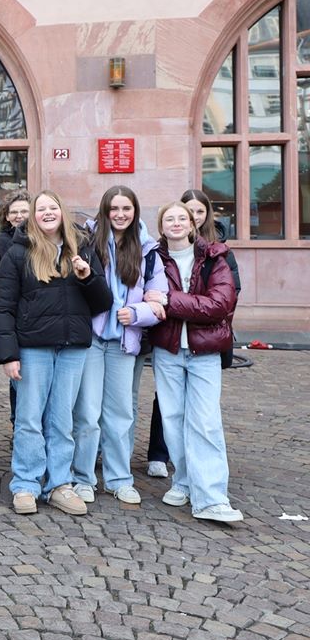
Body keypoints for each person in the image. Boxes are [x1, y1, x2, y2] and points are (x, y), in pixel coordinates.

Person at [0, 190, 112, 516]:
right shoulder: (18, 253)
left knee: (61, 421)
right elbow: (1, 306)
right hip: (32, 348)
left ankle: (60, 483)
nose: (46, 213)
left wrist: (88, 278)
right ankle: (26, 485)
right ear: (32, 215)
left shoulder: (82, 248)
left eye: (52, 208)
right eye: (40, 209)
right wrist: (7, 354)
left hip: (72, 347)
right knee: (29, 420)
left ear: (62, 211)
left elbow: (103, 303)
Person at [70, 186, 167, 508]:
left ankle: (119, 479)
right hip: (91, 340)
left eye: (126, 208)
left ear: (135, 211)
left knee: (120, 414)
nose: (120, 214)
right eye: (114, 208)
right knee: (86, 413)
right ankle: (82, 477)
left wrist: (137, 313)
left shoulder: (148, 250)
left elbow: (158, 300)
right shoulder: (88, 243)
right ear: (105, 211)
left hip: (125, 342)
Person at [149, 201, 243, 522]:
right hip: (168, 349)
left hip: (205, 351)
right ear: (161, 227)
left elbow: (219, 303)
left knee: (204, 421)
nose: (175, 223)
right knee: (173, 421)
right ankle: (185, 480)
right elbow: (144, 299)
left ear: (192, 224)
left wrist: (168, 300)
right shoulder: (154, 259)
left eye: (181, 218)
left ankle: (212, 498)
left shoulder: (215, 257)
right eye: (168, 219)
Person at [0, 189, 31, 423]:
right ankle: (18, 425)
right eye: (14, 212)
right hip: (15, 316)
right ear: (6, 216)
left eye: (24, 211)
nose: (19, 216)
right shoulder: (0, 243)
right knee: (17, 376)